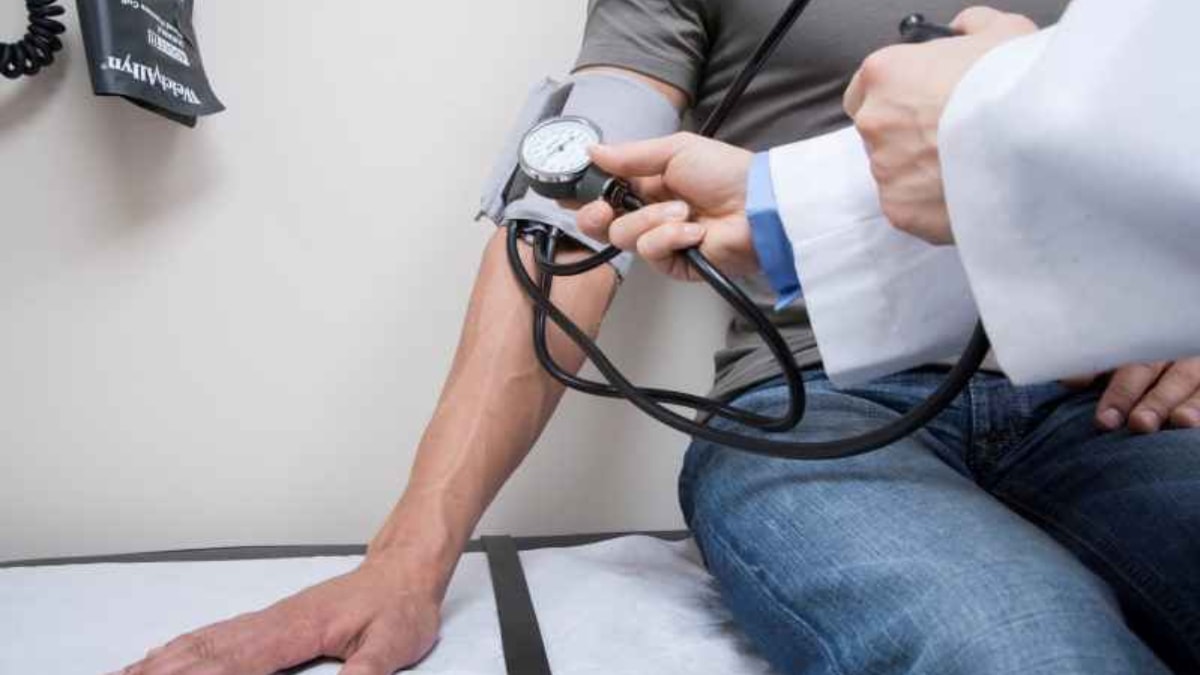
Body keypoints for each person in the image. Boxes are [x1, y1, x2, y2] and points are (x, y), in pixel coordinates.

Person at [117, 3, 1200, 675]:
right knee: (1019, 652)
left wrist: (1181, 309)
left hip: (1116, 402)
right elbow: (568, 213)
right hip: (822, 412)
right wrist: (406, 562)